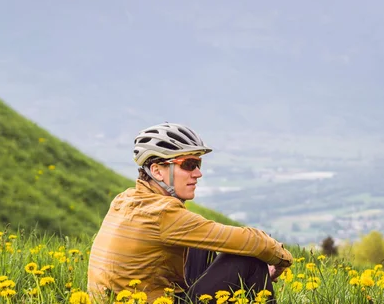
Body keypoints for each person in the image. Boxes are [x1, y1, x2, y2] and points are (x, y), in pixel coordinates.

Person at [87, 122, 294, 303]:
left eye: (198, 164)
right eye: (188, 164)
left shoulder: (124, 199)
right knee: (249, 258)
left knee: (199, 245)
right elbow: (254, 242)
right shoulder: (163, 213)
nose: (198, 173)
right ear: (157, 170)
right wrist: (282, 259)